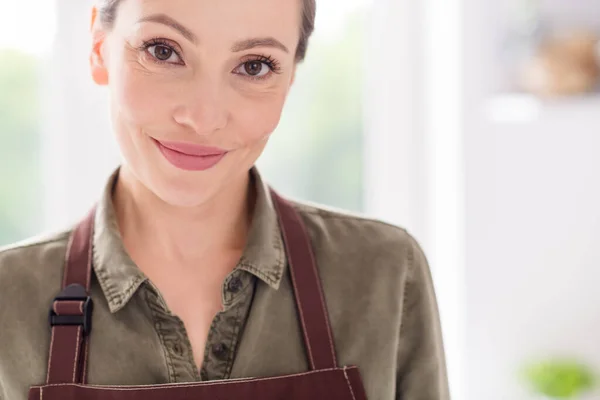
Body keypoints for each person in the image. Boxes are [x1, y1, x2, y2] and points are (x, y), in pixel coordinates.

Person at [0, 0, 450, 399]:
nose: (204, 118)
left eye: (254, 66)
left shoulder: (386, 273)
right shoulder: (8, 299)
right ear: (99, 47)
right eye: (163, 51)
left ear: (291, 76)